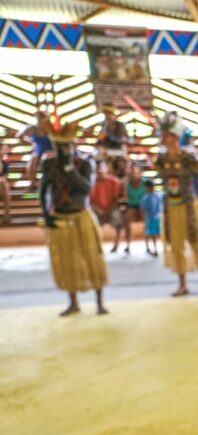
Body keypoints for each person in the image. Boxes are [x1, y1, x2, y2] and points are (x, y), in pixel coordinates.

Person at [38, 121, 108, 316]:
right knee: (65, 260)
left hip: (82, 217)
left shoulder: (85, 164)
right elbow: (43, 191)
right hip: (60, 218)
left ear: (73, 145)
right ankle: (73, 302)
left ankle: (100, 302)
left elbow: (85, 188)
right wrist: (45, 215)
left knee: (92, 258)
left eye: (66, 146)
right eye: (59, 147)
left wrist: (69, 168)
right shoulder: (49, 164)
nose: (62, 150)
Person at [154, 113, 198, 297]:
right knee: (177, 245)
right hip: (171, 206)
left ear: (175, 137)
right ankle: (182, 284)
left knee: (197, 242)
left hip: (189, 205)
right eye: (163, 136)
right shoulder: (161, 160)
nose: (165, 139)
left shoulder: (188, 157)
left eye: (168, 136)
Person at [90, 160, 124, 253]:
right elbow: (90, 201)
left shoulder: (114, 181)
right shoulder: (91, 182)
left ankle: (116, 245)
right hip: (97, 210)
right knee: (90, 221)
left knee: (118, 219)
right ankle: (97, 245)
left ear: (106, 169)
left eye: (102, 167)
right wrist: (99, 210)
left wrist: (108, 211)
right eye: (97, 168)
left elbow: (116, 199)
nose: (99, 170)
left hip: (112, 208)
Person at [19, 110, 52, 189]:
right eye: (39, 117)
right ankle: (32, 183)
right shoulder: (32, 128)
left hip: (49, 151)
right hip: (38, 151)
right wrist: (30, 142)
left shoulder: (50, 129)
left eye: (42, 117)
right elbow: (20, 136)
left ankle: (48, 182)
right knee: (33, 159)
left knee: (45, 157)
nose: (40, 119)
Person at [120, 162, 146, 254]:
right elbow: (126, 198)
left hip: (142, 206)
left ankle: (148, 245)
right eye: (132, 170)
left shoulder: (144, 183)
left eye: (135, 170)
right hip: (131, 205)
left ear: (140, 171)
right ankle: (127, 245)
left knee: (146, 219)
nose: (134, 172)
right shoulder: (126, 183)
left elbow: (146, 197)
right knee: (127, 219)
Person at [141, 179, 161, 257]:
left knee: (154, 233)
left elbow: (159, 206)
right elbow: (143, 209)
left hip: (156, 217)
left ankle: (154, 248)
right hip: (149, 218)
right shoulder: (146, 197)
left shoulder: (157, 195)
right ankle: (148, 247)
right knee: (149, 233)